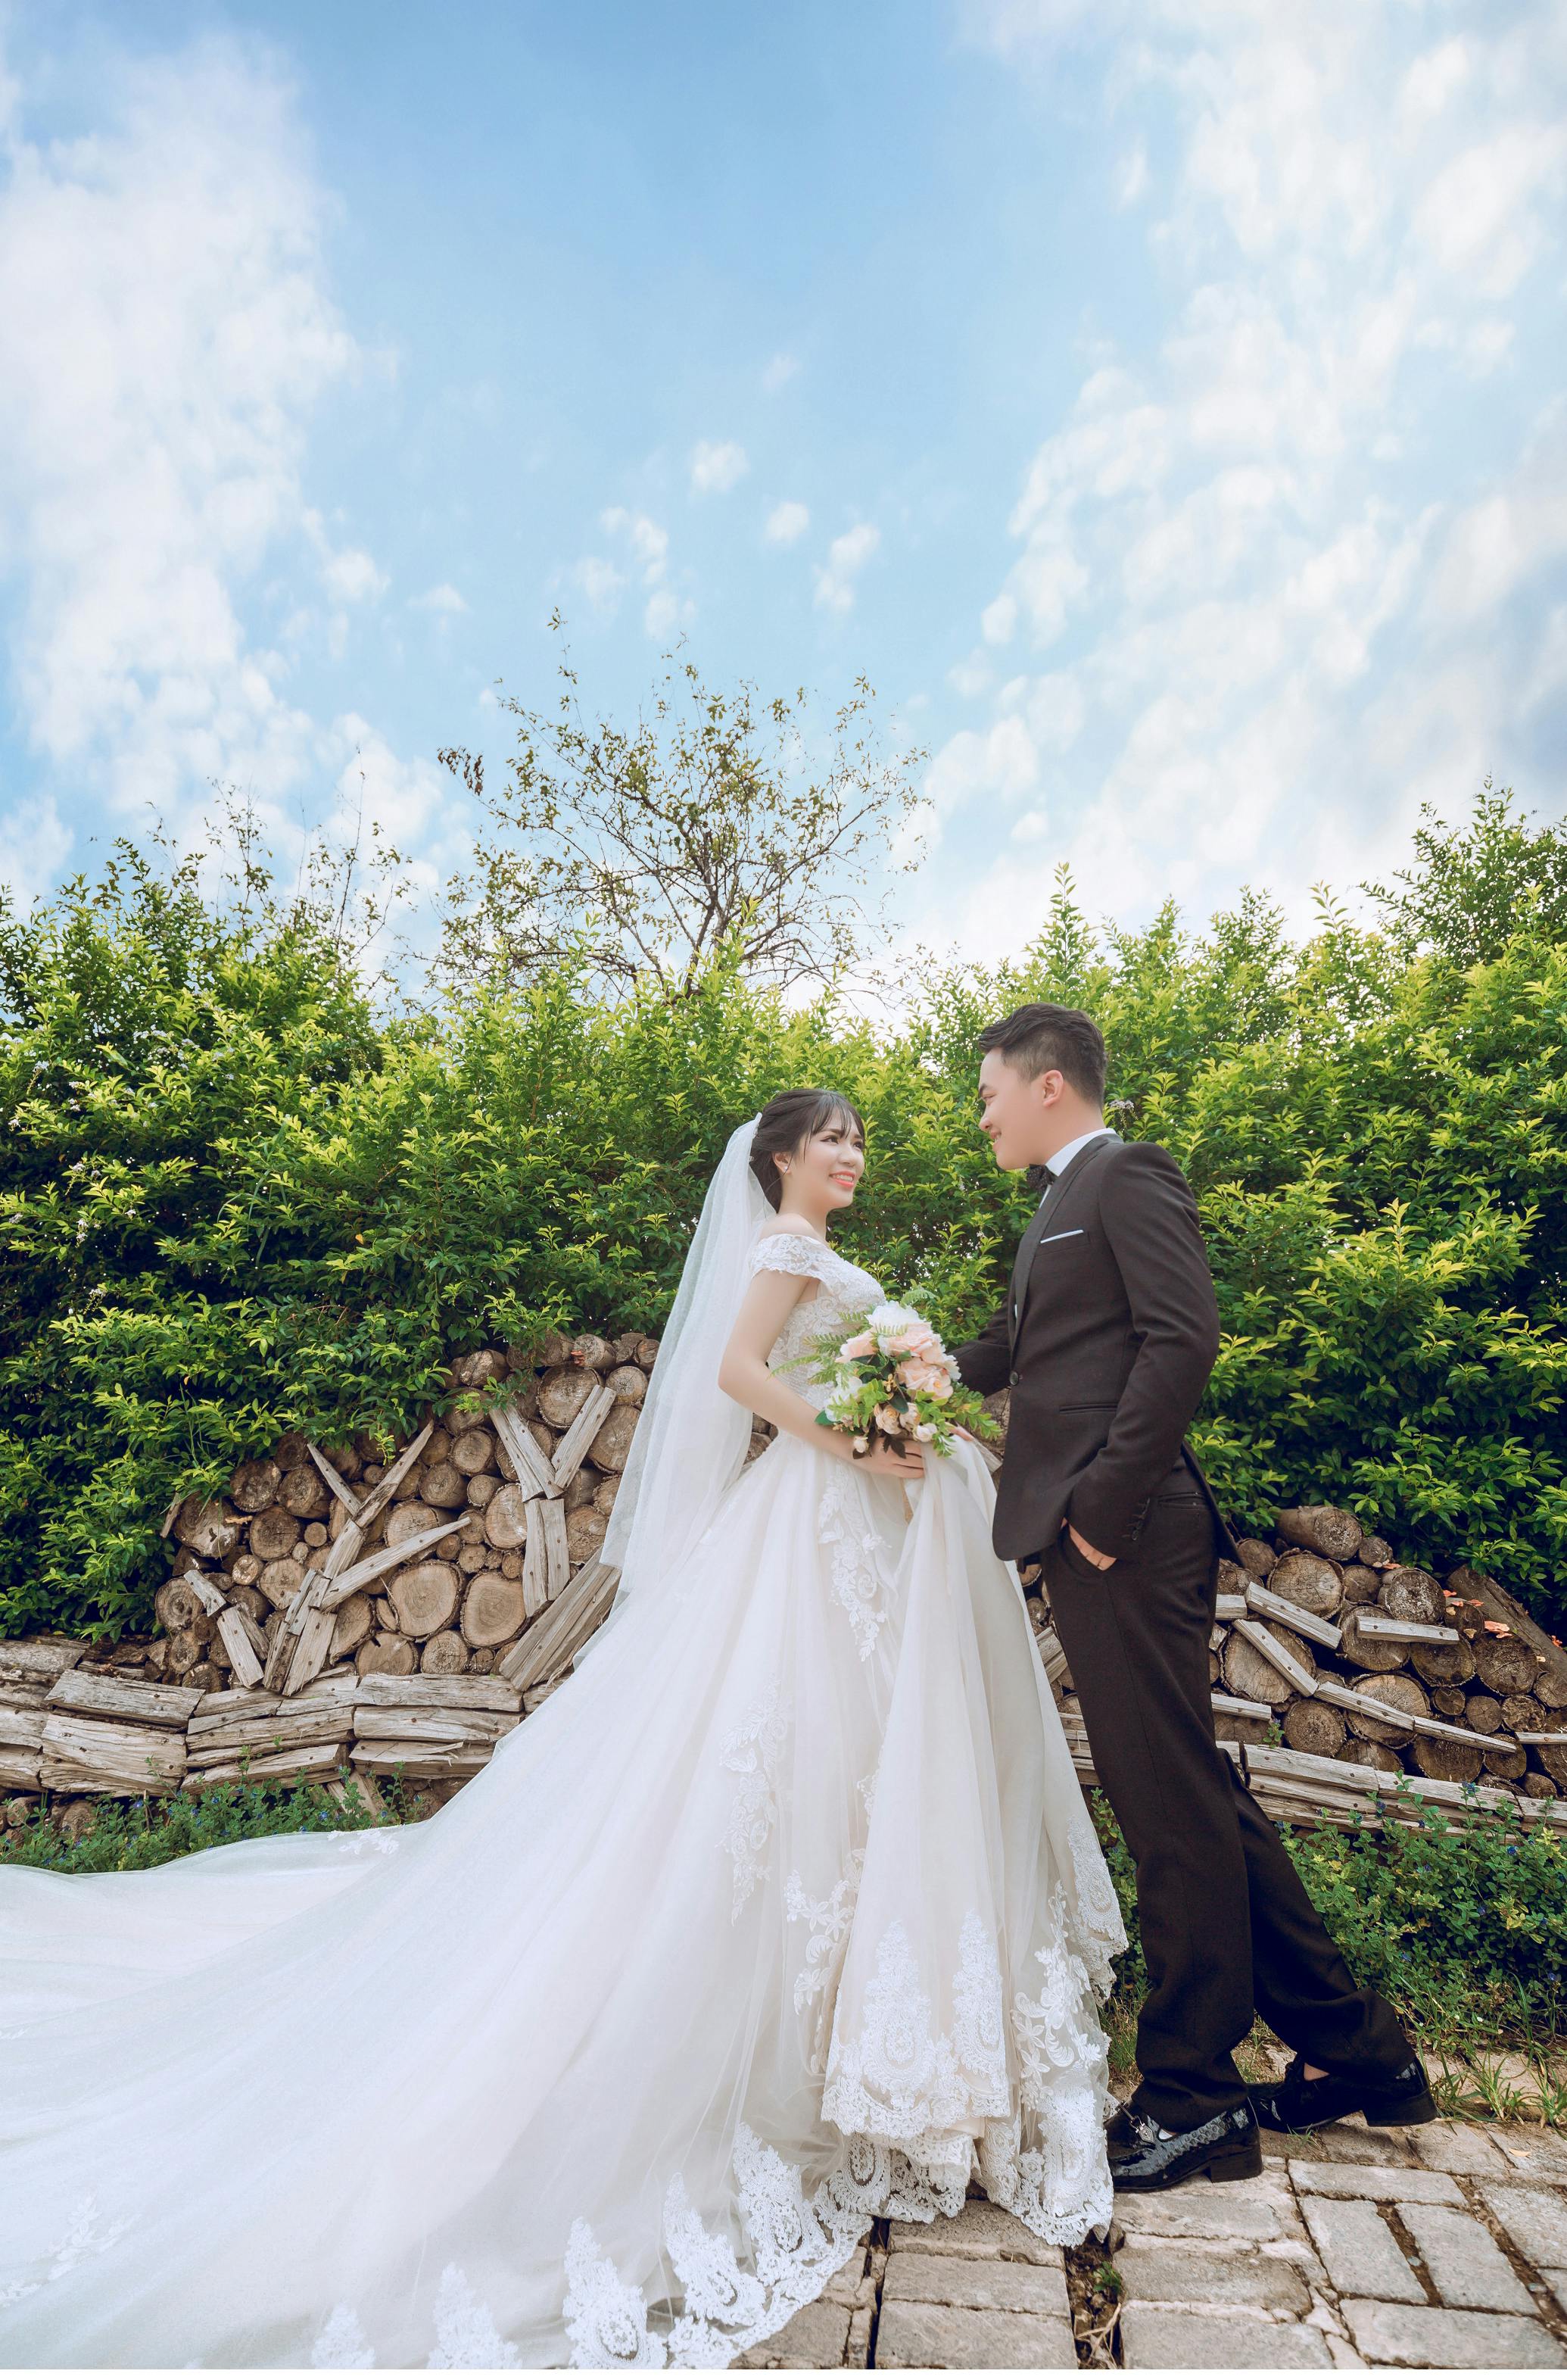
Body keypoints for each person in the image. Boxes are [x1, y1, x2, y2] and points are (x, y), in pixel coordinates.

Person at [0, 1090, 1123, 2370]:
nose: (853, 1158)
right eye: (833, 1143)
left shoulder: (823, 1255)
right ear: (777, 1162)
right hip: (814, 1517)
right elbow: (736, 1374)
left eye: (860, 1142)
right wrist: (857, 1442)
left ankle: (884, 2031)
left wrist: (900, 1413)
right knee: (773, 1765)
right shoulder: (775, 1252)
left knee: (853, 1764)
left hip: (850, 1530)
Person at [952, 1003, 1435, 2193]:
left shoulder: (1125, 1176)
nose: (982, 1114)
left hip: (1129, 1532)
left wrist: (1098, 1514)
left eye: (988, 1093)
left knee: (1166, 1806)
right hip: (1102, 1534)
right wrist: (880, 1362)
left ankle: (1193, 2095)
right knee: (1191, 1794)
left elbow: (1185, 1339)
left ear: (1049, 1084)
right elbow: (1015, 1346)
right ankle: (1356, 2054)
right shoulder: (1053, 1209)